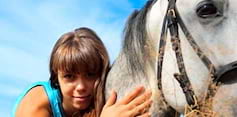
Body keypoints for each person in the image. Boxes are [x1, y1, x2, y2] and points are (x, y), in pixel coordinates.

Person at [13, 27, 152, 117]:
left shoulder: (101, 98)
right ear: (56, 78)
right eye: (69, 76)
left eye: (90, 74)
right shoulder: (37, 102)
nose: (81, 87)